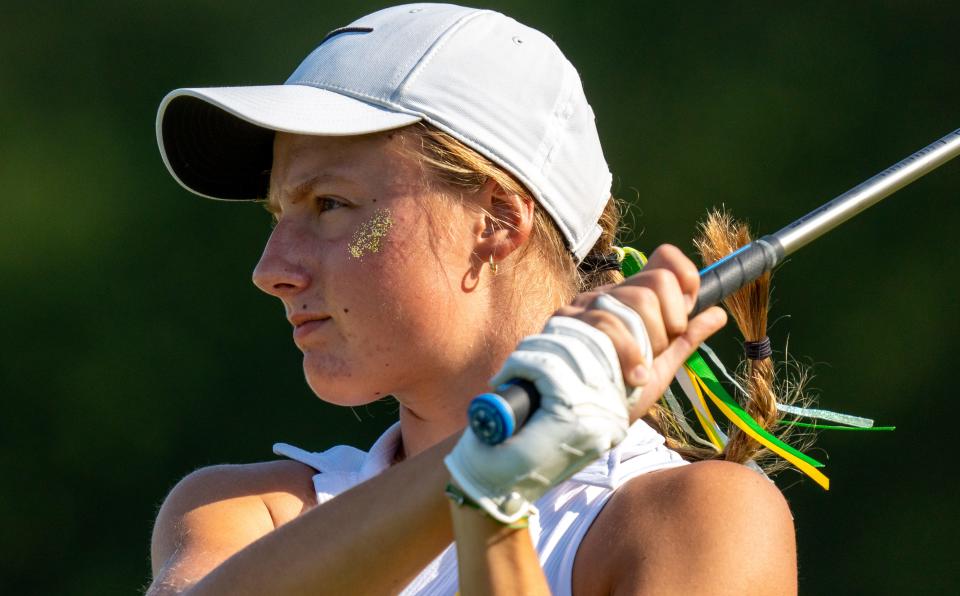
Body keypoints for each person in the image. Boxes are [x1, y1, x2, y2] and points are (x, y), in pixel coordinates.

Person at [148, 4, 796, 594]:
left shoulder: (694, 519)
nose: (270, 270)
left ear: (495, 220)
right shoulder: (243, 511)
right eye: (277, 215)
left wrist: (492, 504)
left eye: (329, 205)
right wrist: (480, 470)